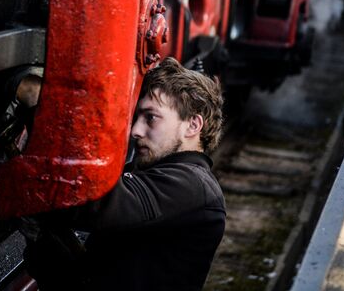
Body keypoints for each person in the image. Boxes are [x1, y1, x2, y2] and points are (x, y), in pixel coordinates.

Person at [26, 57, 226, 291]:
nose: (136, 131)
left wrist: (40, 108)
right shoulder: (164, 176)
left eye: (151, 117)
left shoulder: (193, 185)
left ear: (193, 125)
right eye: (137, 118)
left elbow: (96, 205)